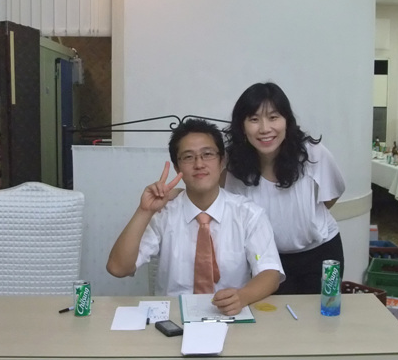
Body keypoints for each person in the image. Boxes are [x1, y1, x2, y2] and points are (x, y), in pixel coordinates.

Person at [106, 118, 285, 315]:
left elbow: (270, 273)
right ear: (177, 168)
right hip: (173, 317)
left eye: (207, 154)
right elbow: (118, 268)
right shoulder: (164, 213)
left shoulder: (248, 214)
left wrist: (242, 297)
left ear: (222, 161)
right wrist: (144, 211)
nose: (199, 164)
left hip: (230, 315)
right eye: (188, 157)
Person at [223, 82, 345, 295]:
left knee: (324, 312)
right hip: (266, 262)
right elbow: (224, 204)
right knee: (270, 315)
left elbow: (331, 196)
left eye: (273, 117)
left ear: (287, 120)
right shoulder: (232, 164)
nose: (265, 129)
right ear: (242, 126)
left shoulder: (313, 153)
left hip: (321, 253)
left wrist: (306, 220)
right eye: (254, 119)